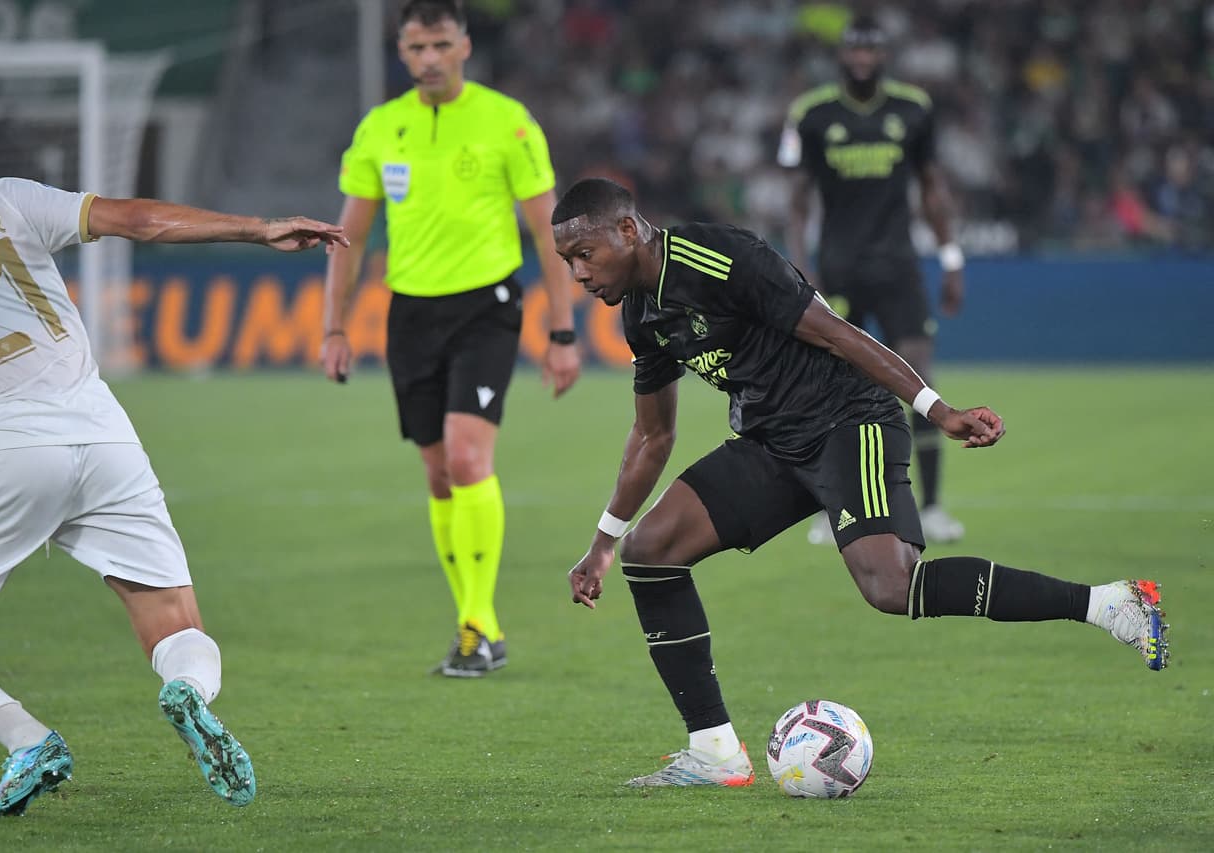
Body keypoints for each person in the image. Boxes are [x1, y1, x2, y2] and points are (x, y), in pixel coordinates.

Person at [552, 177, 1169, 788]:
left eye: (584, 254)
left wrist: (937, 410)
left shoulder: (721, 257)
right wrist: (604, 542)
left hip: (848, 420)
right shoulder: (642, 315)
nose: (578, 274)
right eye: (567, 262)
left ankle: (1109, 604)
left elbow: (837, 332)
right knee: (650, 550)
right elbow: (653, 435)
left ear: (628, 230)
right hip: (772, 443)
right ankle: (714, 752)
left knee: (891, 586)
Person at [0, 153, 347, 815]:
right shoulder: (3, 199)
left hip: (5, 449)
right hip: (106, 439)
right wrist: (257, 229)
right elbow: (140, 221)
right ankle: (189, 688)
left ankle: (26, 738)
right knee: (174, 621)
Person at [321, 0, 581, 677]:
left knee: (468, 459)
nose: (429, 58)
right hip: (410, 313)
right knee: (439, 475)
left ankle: (478, 623)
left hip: (485, 309)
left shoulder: (507, 122)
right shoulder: (381, 128)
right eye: (416, 48)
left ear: (464, 45)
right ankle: (475, 625)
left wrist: (562, 330)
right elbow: (349, 240)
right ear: (402, 53)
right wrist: (334, 326)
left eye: (440, 44)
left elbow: (548, 232)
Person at [779, 16, 966, 545]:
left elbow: (932, 187)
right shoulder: (811, 114)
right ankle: (828, 506)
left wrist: (951, 257)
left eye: (871, 49)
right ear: (842, 55)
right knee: (830, 388)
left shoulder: (913, 109)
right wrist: (800, 267)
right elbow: (797, 201)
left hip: (898, 266)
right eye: (854, 49)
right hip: (839, 268)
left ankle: (932, 507)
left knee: (920, 378)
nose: (862, 58)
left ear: (883, 55)